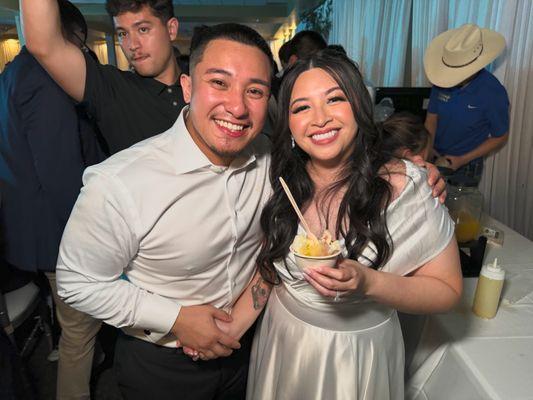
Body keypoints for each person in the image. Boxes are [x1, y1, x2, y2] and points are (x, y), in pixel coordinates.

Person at [191, 48, 462, 399]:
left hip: (359, 352)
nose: (319, 119)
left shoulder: (406, 185)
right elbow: (270, 269)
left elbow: (449, 290)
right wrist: (230, 330)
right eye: (301, 107)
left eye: (334, 99)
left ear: (359, 107)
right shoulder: (278, 178)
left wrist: (369, 282)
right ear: (287, 123)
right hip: (284, 338)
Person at [55, 23, 276, 400]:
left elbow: (279, 239)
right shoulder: (120, 182)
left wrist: (240, 321)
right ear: (188, 88)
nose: (237, 107)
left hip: (245, 349)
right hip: (160, 366)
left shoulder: (270, 161)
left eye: (254, 91)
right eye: (219, 83)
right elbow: (77, 282)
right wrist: (177, 319)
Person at [0, 1, 106, 399]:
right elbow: (61, 174)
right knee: (83, 329)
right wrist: (88, 239)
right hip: (57, 232)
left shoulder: (11, 73)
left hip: (23, 227)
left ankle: (60, 348)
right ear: (68, 38)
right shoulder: (47, 80)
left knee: (67, 318)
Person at [21, 0, 186, 154]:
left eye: (143, 29)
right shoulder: (112, 89)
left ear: (171, 29)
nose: (133, 45)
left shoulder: (203, 83)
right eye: (123, 34)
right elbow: (44, 46)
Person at [424, 23, 510, 185]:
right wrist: (427, 151)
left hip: (466, 166)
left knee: (460, 210)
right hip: (434, 157)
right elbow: (431, 119)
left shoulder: (493, 92)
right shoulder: (441, 81)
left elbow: (500, 136)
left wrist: (462, 159)